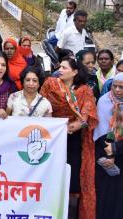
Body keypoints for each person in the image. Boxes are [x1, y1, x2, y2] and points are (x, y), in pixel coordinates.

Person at [40, 57, 97, 219]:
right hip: (52, 137)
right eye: (60, 67)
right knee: (51, 172)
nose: (60, 70)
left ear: (75, 71)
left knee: (72, 174)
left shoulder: (84, 90)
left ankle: (69, 213)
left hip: (74, 139)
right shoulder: (50, 84)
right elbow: (42, 106)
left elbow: (86, 115)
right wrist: (57, 129)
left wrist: (68, 128)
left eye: (64, 68)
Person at [93, 73, 123, 219]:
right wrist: (110, 153)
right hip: (105, 151)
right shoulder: (104, 101)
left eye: (121, 87)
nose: (117, 90)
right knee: (106, 194)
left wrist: (116, 149)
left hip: (121, 152)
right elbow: (104, 129)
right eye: (114, 86)